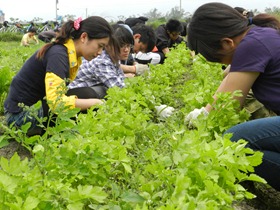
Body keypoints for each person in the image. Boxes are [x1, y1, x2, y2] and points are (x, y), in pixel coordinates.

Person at [185, 2, 280, 191]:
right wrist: (205, 110)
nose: (222, 64)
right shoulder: (259, 33)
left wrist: (203, 120)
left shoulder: (251, 45)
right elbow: (228, 79)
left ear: (227, 43)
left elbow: (229, 106)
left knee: (233, 140)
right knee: (250, 147)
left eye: (218, 58)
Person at [4, 16, 117, 134]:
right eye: (100, 46)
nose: (100, 53)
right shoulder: (58, 55)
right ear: (84, 37)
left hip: (29, 109)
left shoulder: (68, 53)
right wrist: (95, 103)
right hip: (19, 118)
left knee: (87, 95)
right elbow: (56, 103)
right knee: (87, 99)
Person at [67, 23, 135, 99]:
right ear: (108, 45)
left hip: (86, 90)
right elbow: (118, 88)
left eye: (128, 46)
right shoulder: (102, 61)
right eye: (121, 46)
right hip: (73, 95)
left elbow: (120, 79)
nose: (126, 50)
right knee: (104, 91)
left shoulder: (114, 58)